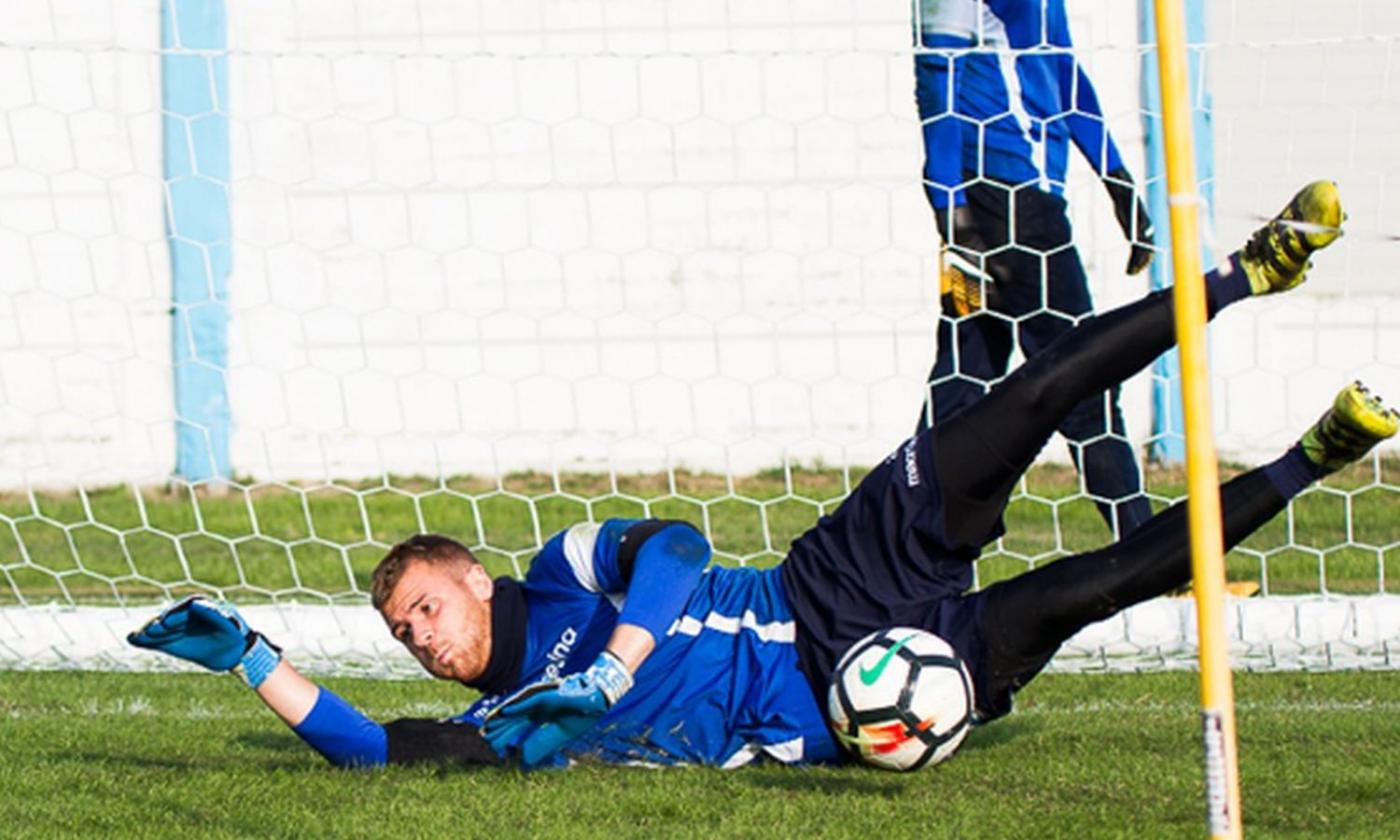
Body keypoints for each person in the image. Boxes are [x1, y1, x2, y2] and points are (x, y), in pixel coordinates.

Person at [129, 183, 1395, 770]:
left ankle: (1242, 275)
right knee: (1092, 584)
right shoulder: (505, 728)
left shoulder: (561, 572)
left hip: (828, 576)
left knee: (1022, 399)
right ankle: (1312, 456)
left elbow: (675, 547)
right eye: (404, 630)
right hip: (835, 702)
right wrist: (247, 655)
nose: (420, 637)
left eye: (425, 604)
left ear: (470, 572)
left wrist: (616, 664)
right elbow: (369, 751)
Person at [915, 0, 1157, 536]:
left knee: (964, 374)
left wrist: (1116, 179)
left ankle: (896, 542)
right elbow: (936, 78)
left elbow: (1064, 72)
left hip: (1019, 203)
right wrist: (951, 211)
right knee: (1083, 375)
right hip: (1004, 203)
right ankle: (1153, 557)